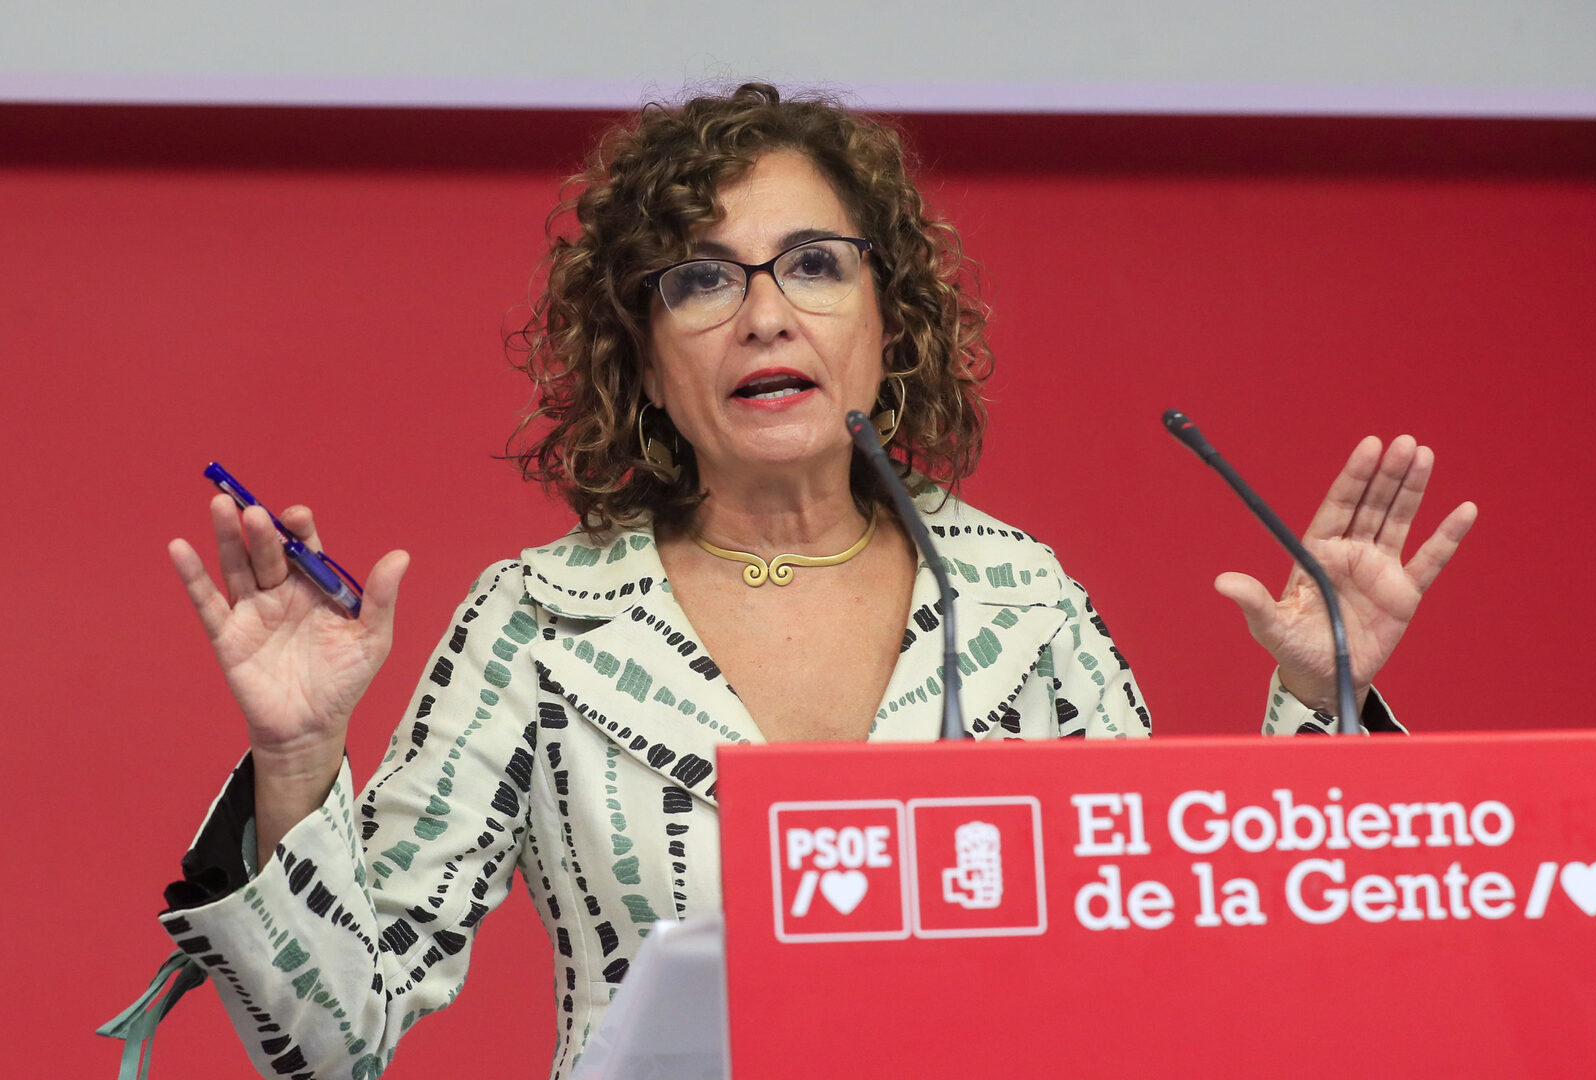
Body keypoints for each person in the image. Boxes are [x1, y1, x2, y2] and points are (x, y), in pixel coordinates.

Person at [147, 84, 1476, 1080]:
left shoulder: (1016, 600)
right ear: (643, 357)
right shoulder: (537, 623)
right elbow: (336, 1040)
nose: (766, 313)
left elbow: (1172, 965)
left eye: (815, 265)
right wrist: (299, 758)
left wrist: (1322, 698)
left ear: (889, 326)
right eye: (700, 280)